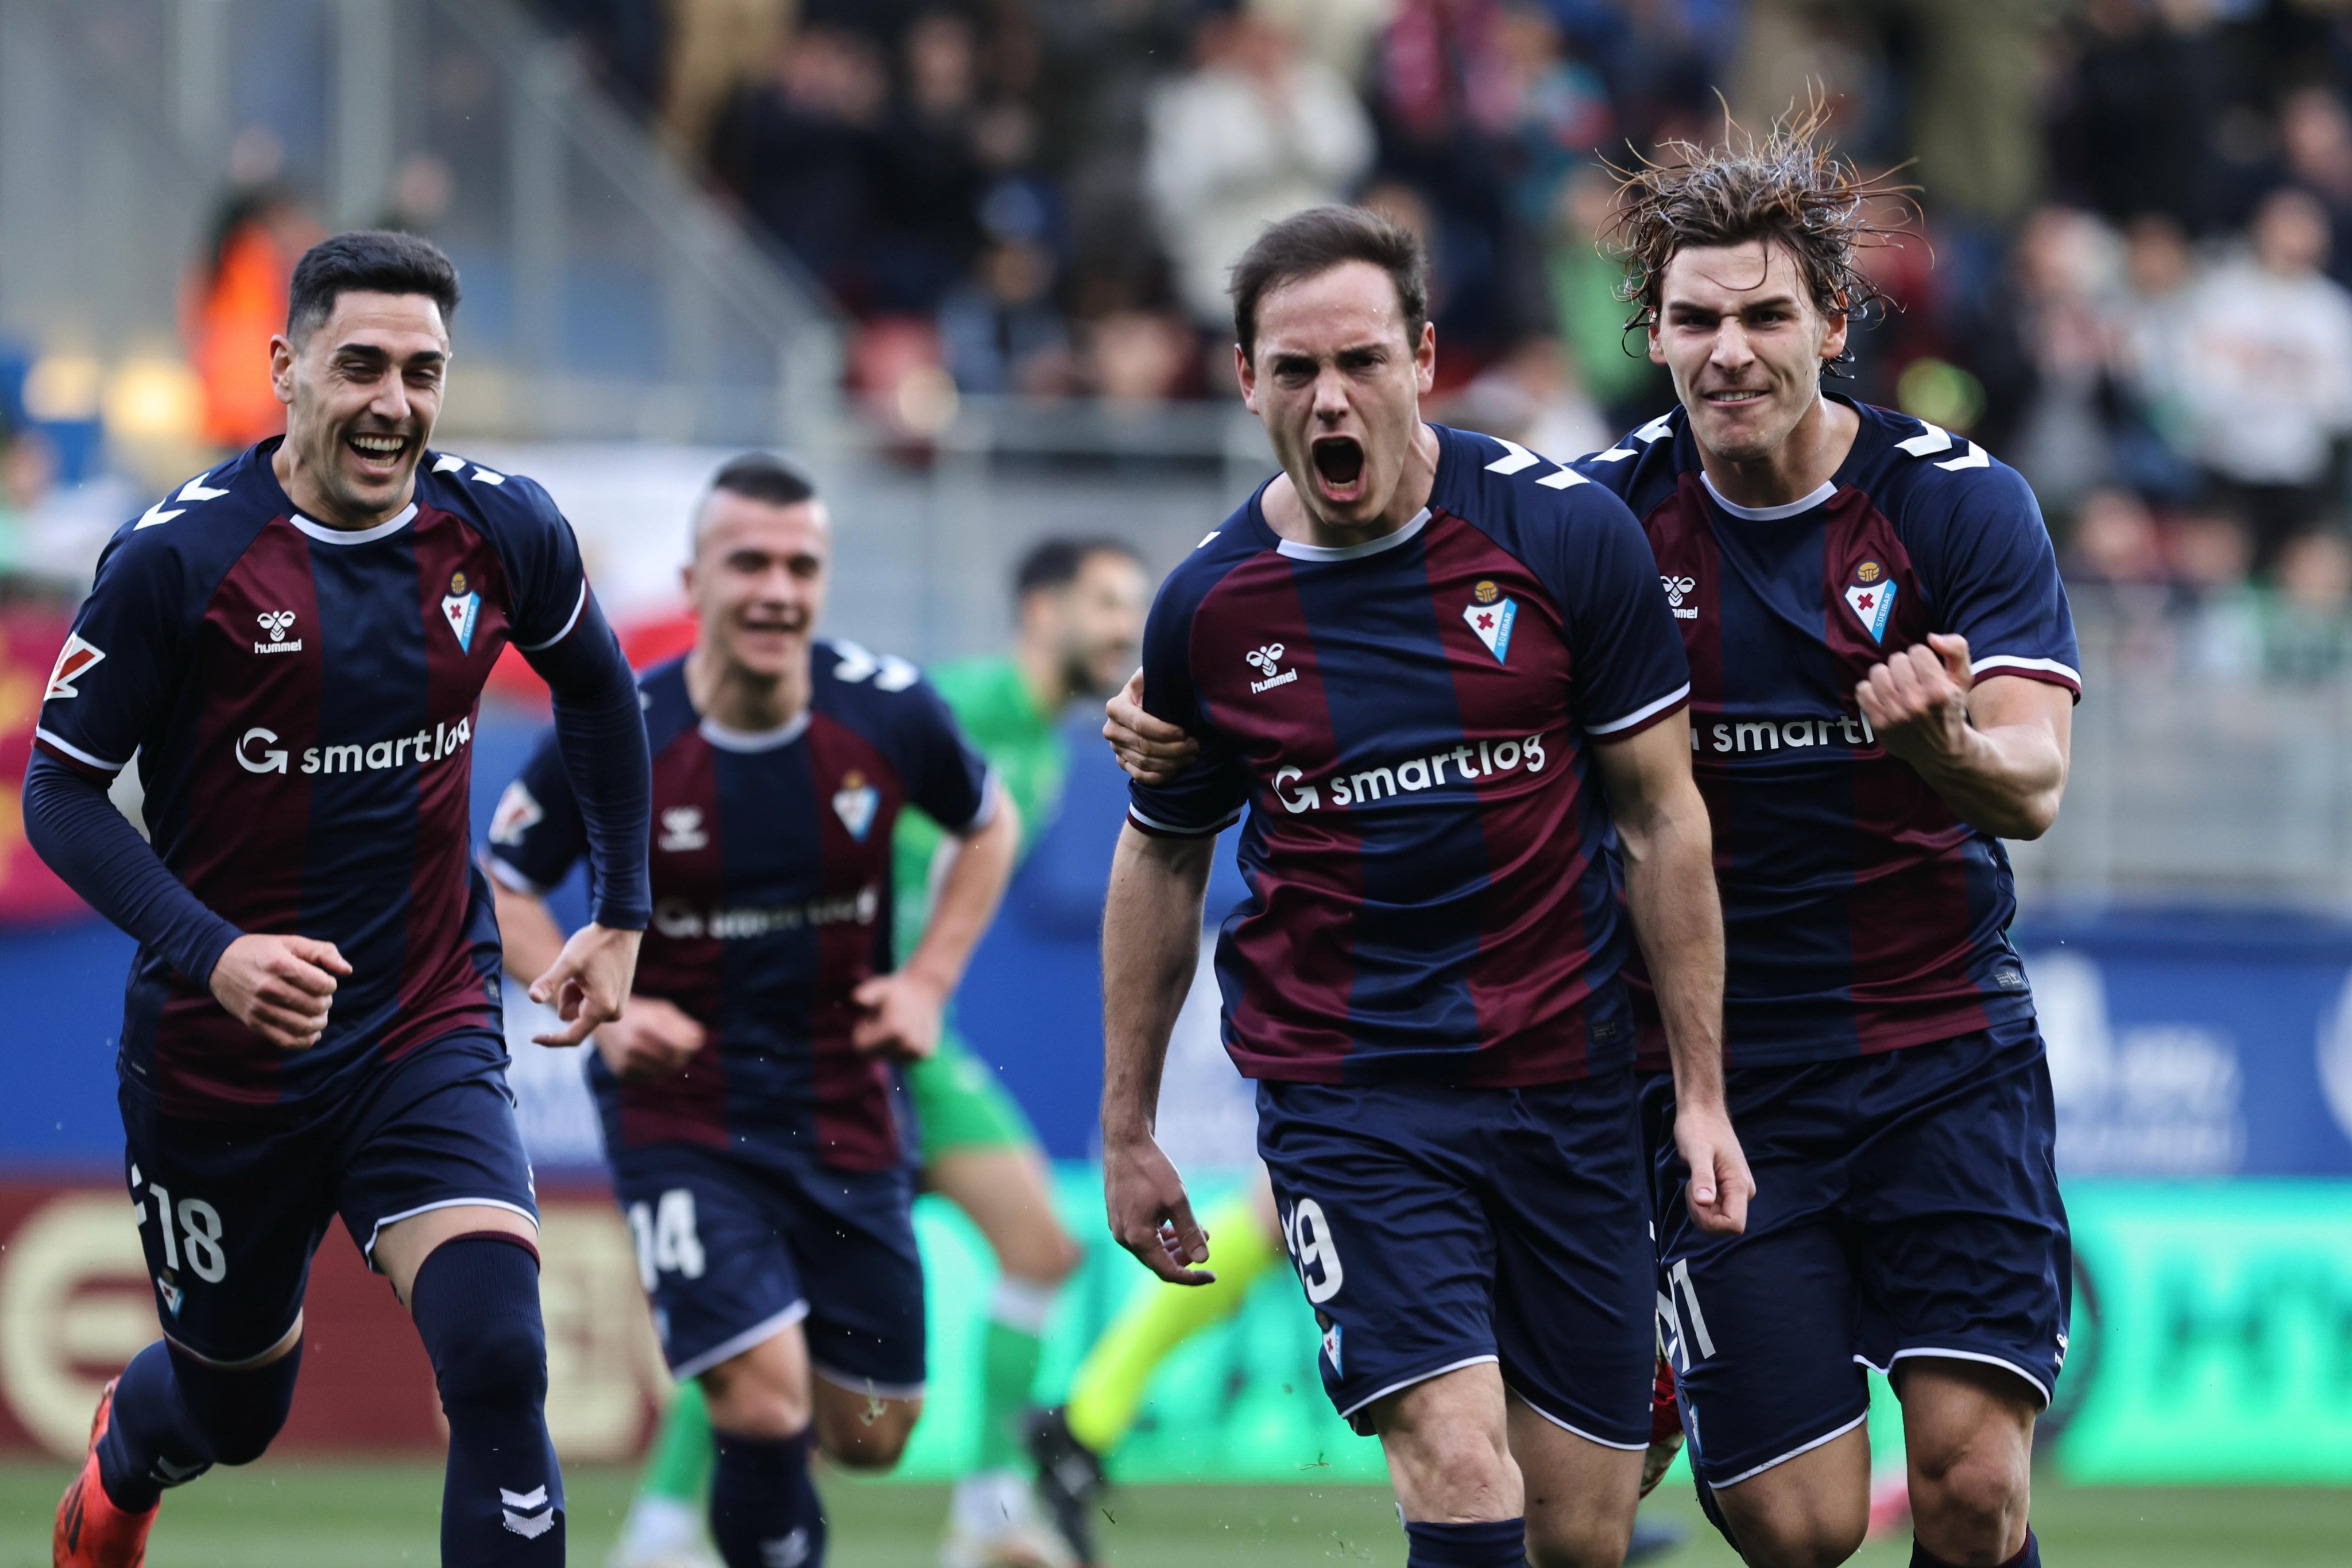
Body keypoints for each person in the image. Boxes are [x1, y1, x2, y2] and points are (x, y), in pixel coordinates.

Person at [1119, 125, 2083, 1568]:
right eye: (1694, 319)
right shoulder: (1597, 522)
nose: (1730, 352)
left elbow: (2030, 781)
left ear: (1832, 320)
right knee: (1792, 1522)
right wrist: (1197, 724)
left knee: (1967, 1480)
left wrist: (1940, 743)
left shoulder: (1953, 502)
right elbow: (1432, 688)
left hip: (1940, 1046)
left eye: (1765, 315)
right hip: (1706, 1076)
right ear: (1653, 333)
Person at [1097, 204, 1750, 1568]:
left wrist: (1695, 1093)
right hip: (1353, 1097)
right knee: (1457, 1459)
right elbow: (1161, 849)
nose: (1329, 397)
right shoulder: (1210, 610)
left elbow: (1661, 820)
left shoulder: (1559, 537)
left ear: (1422, 359)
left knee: (1580, 1528)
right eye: (1292, 370)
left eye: (1361, 361)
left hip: (1567, 1087)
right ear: (1243, 380)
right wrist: (1125, 1123)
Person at [29, 230, 653, 1566]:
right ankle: (128, 1454)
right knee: (232, 1407)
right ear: (286, 369)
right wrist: (216, 954)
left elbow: (599, 688)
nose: (393, 402)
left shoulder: (498, 527)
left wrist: (623, 907)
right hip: (221, 1056)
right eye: (359, 364)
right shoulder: (177, 563)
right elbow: (60, 799)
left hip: (416, 1022)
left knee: (497, 1350)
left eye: (421, 371)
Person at [486, 453, 1020, 1568]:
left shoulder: (885, 709)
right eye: (748, 564)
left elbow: (989, 821)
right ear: (694, 580)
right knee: (757, 1393)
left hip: (845, 1094)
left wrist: (927, 980)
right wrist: (609, 1016)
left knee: (871, 1432)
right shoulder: (622, 724)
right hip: (680, 1105)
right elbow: (504, 877)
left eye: (799, 565)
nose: (776, 588)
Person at [599, 535, 1149, 1568]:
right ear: (1040, 611)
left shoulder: (1048, 745)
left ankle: (986, 1518)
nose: (1127, 631)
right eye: (1109, 605)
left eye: (1134, 609)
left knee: (1040, 1245)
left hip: (903, 1041)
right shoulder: (968, 706)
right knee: (769, 1314)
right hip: (831, 1030)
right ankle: (667, 1532)